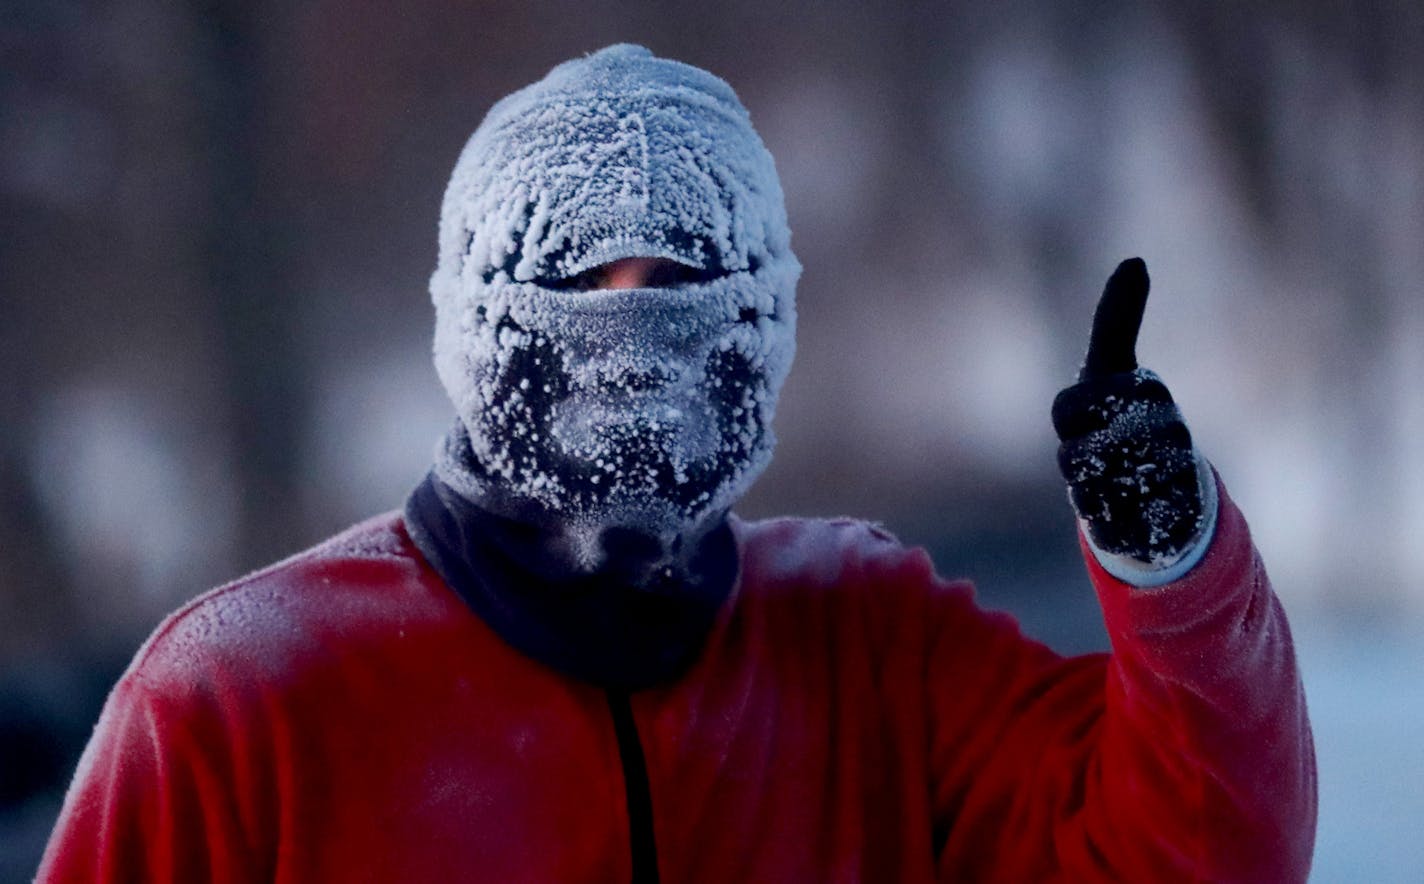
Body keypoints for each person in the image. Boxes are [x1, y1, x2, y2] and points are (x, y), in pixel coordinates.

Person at [37, 44, 1315, 882]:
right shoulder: (241, 698)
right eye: (585, 284)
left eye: (684, 288)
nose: (633, 343)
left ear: (761, 324)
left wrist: (1169, 558)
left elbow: (1201, 852)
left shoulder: (869, 643)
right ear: (481, 321)